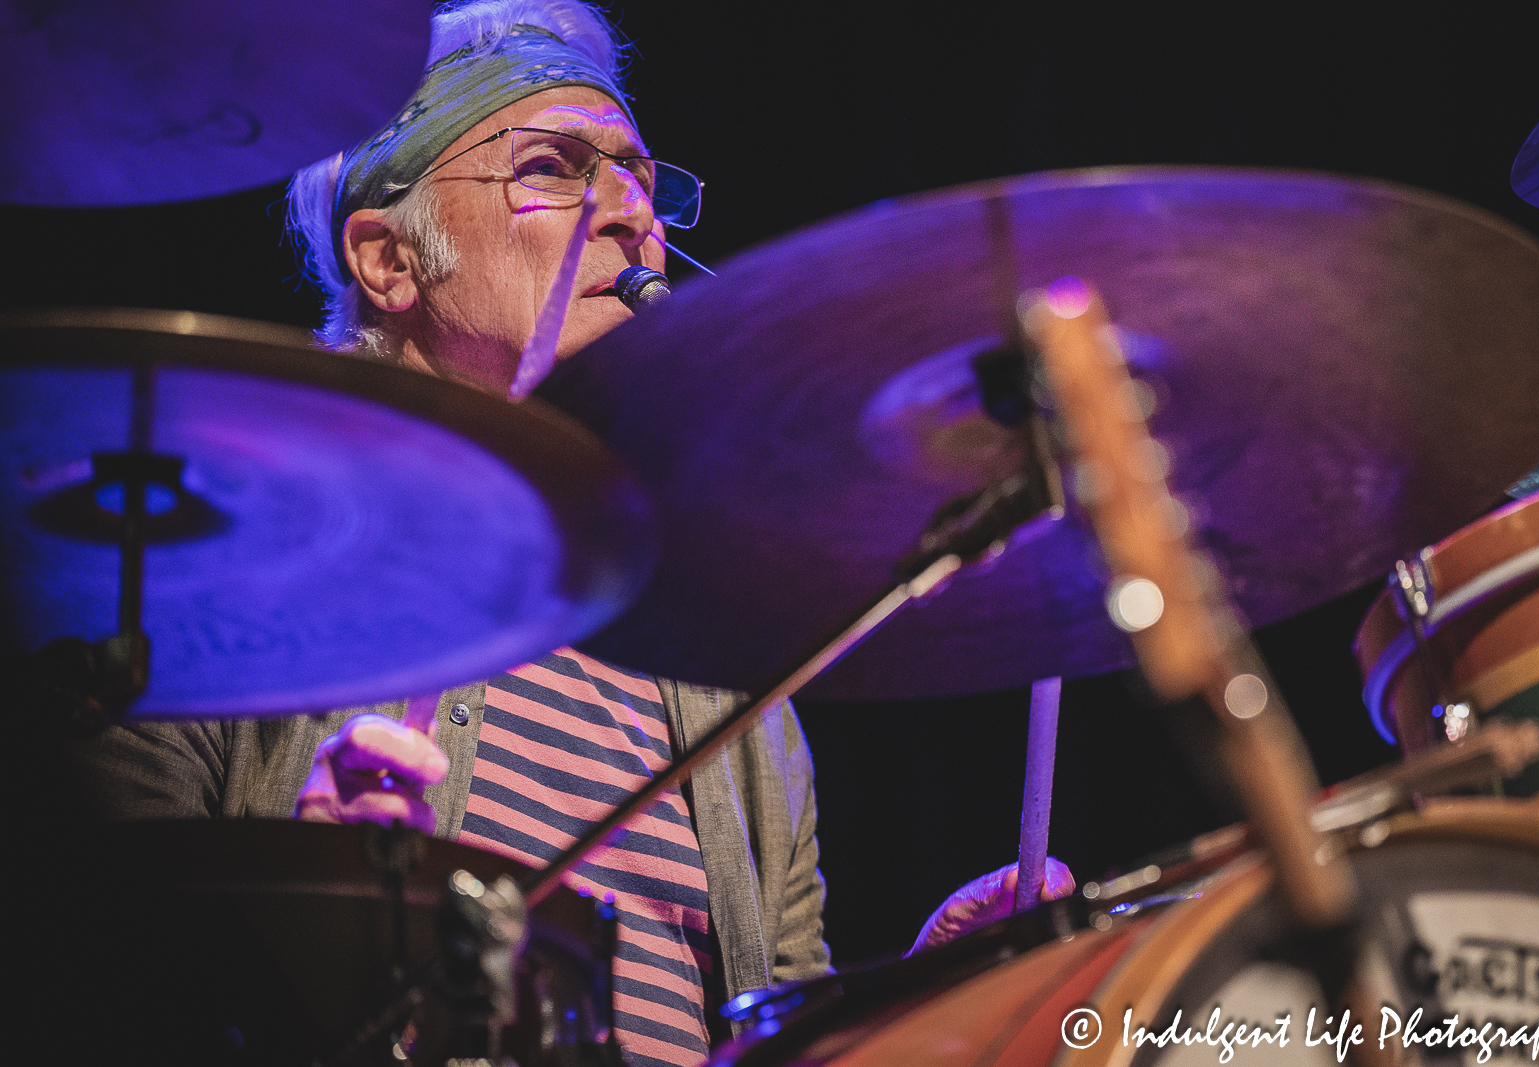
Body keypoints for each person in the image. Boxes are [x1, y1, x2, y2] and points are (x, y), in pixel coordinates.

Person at [75, 3, 1072, 1065]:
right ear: (389, 263)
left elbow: (774, 1035)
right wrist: (291, 925)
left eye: (639, 176)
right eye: (551, 165)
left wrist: (923, 998)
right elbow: (85, 966)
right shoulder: (202, 572)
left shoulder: (728, 673)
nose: (628, 212)